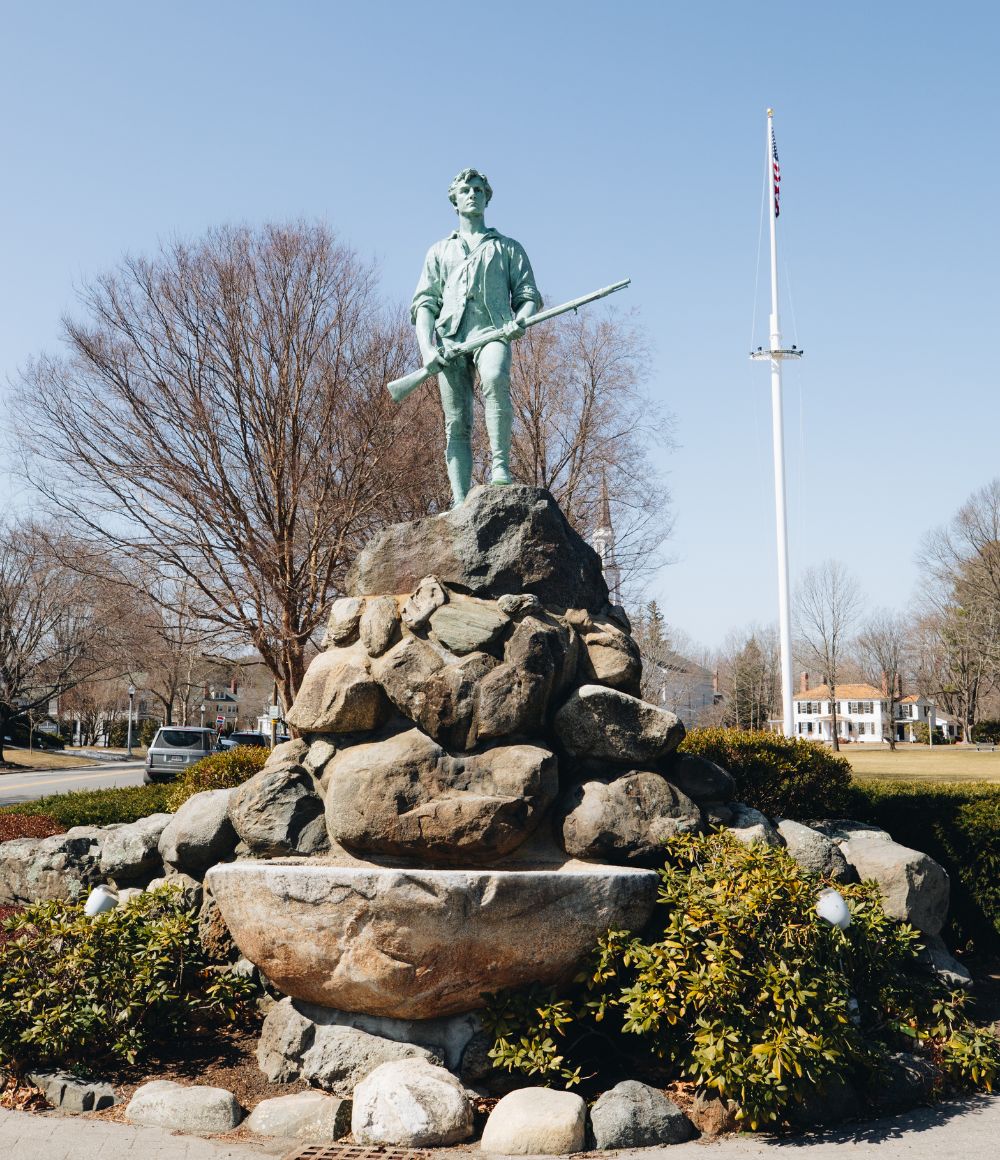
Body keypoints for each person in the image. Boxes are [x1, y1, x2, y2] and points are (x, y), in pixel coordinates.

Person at [411, 168, 542, 507]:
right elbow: (424, 304)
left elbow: (528, 295)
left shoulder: (507, 248)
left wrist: (521, 320)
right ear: (454, 200)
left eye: (478, 189)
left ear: (487, 197)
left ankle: (501, 469)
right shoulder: (439, 251)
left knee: (496, 377)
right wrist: (428, 350)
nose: (472, 194)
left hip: (493, 332)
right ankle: (458, 500)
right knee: (456, 422)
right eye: (465, 190)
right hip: (451, 343)